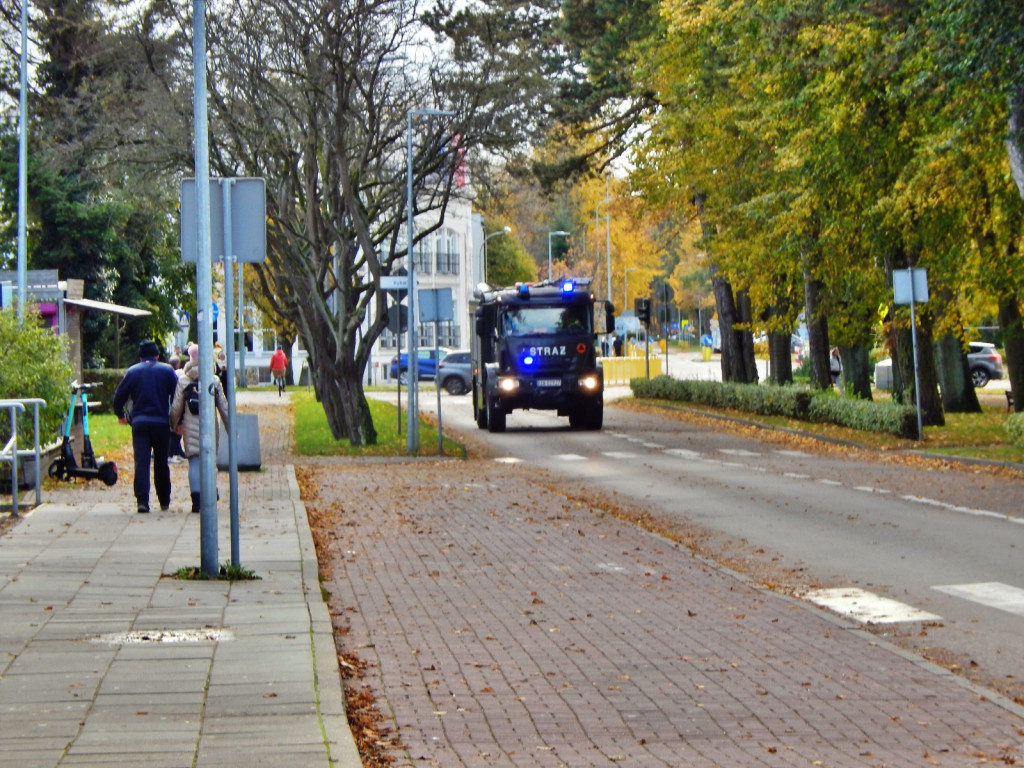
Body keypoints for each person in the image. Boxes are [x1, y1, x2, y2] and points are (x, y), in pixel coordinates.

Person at [112, 339, 180, 514]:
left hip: (140, 423)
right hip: (161, 423)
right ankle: (164, 499)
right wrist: (177, 420)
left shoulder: (132, 372)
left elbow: (119, 396)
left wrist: (120, 415)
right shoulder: (167, 371)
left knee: (141, 462)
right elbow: (177, 397)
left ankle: (142, 501)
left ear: (140, 356)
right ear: (157, 355)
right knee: (161, 462)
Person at [170, 343, 229, 514]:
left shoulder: (183, 380)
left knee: (194, 462)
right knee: (209, 461)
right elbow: (224, 407)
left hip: (190, 427)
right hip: (210, 427)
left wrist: (173, 425)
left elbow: (176, 407)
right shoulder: (214, 380)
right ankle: (210, 493)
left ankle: (196, 500)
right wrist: (231, 428)